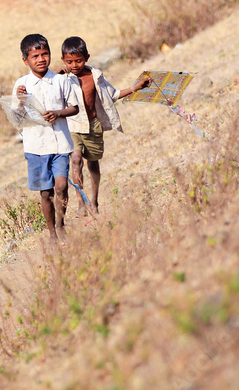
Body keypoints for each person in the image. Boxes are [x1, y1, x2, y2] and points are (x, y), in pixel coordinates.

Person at [61, 35, 150, 214]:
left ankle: (94, 201)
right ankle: (81, 201)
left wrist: (136, 88)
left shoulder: (95, 76)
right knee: (76, 159)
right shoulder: (61, 79)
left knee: (93, 164)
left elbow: (113, 94)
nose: (74, 65)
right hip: (72, 126)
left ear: (87, 57)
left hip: (93, 125)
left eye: (78, 60)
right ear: (63, 60)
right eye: (69, 61)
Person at [13, 33, 79, 241]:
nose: (41, 59)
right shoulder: (21, 85)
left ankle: (61, 225)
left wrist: (58, 113)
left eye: (45, 54)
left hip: (60, 142)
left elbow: (74, 107)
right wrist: (21, 101)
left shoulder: (60, 80)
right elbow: (17, 117)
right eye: (35, 56)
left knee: (61, 185)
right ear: (26, 60)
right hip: (36, 146)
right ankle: (51, 233)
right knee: (45, 192)